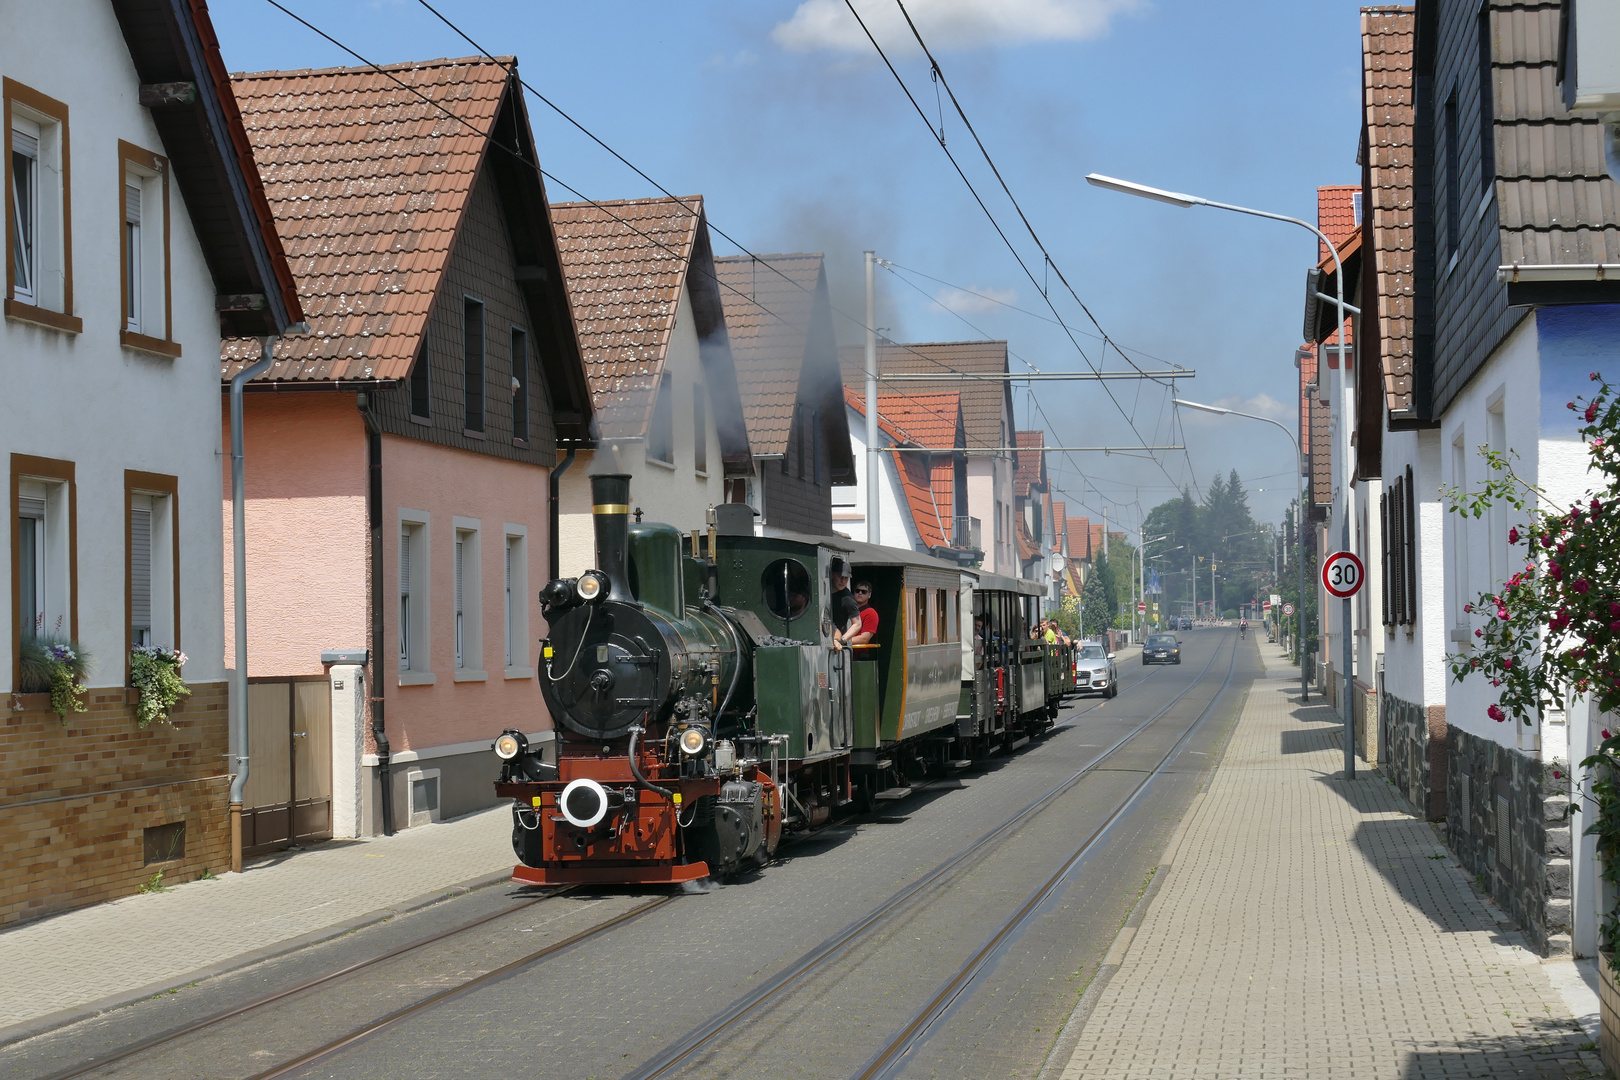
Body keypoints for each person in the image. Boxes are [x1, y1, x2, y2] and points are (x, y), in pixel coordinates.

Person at [828, 561, 862, 651]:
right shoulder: (822, 592)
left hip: (835, 644)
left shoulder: (848, 599)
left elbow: (857, 624)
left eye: (846, 578)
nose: (843, 581)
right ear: (832, 575)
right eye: (840, 577)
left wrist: (841, 640)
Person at [851, 580, 879, 645]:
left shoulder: (871, 613)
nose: (860, 593)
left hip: (859, 654)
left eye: (864, 592)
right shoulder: (849, 610)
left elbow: (864, 639)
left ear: (869, 595)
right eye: (857, 591)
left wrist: (842, 641)